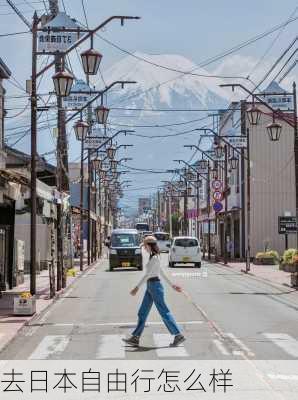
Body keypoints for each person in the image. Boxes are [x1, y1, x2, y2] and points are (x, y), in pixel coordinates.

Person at [123, 235, 186, 347]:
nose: (144, 248)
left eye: (145, 246)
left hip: (155, 287)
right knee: (142, 312)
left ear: (149, 245)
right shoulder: (154, 257)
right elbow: (161, 272)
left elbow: (148, 274)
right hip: (151, 286)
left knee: (164, 311)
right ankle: (135, 337)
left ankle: (178, 334)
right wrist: (172, 285)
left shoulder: (155, 258)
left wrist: (136, 287)